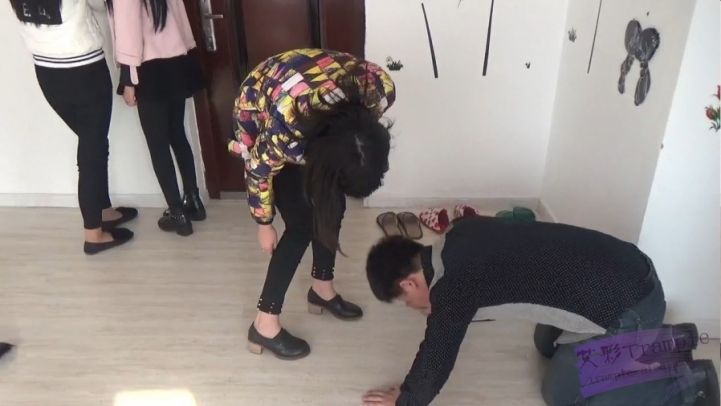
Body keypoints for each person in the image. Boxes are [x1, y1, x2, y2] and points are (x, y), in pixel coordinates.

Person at [363, 216, 719, 405]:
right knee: (545, 344)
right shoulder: (461, 233)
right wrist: (440, 309)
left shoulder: (453, 287)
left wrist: (406, 400)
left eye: (406, 301)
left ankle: (688, 384)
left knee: (562, 394)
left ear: (409, 283)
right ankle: (674, 340)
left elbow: (437, 357)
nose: (413, 307)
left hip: (629, 309)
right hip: (632, 268)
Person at [229, 49, 396, 360]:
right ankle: (264, 325)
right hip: (261, 106)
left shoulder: (379, 89)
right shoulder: (283, 133)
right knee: (302, 225)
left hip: (308, 96)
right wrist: (264, 222)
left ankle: (321, 289)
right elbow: (258, 170)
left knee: (333, 206)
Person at [9, 0, 136, 254]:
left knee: (94, 144)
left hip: (47, 72)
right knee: (92, 150)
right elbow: (101, 5)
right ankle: (94, 234)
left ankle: (103, 211)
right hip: (84, 69)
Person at [106, 0, 206, 236]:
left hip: (148, 69)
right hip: (176, 63)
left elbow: (128, 33)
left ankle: (178, 214)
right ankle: (193, 201)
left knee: (158, 145)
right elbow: (180, 18)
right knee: (177, 134)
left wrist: (128, 81)